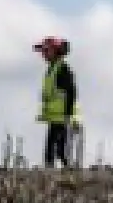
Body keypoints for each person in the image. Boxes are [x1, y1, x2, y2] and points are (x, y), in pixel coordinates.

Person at [33, 36, 80, 168]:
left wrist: (68, 115)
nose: (43, 54)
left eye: (46, 50)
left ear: (56, 51)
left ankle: (68, 171)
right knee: (51, 149)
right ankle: (52, 173)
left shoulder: (63, 69)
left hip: (63, 117)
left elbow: (71, 92)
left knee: (60, 150)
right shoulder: (52, 69)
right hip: (55, 117)